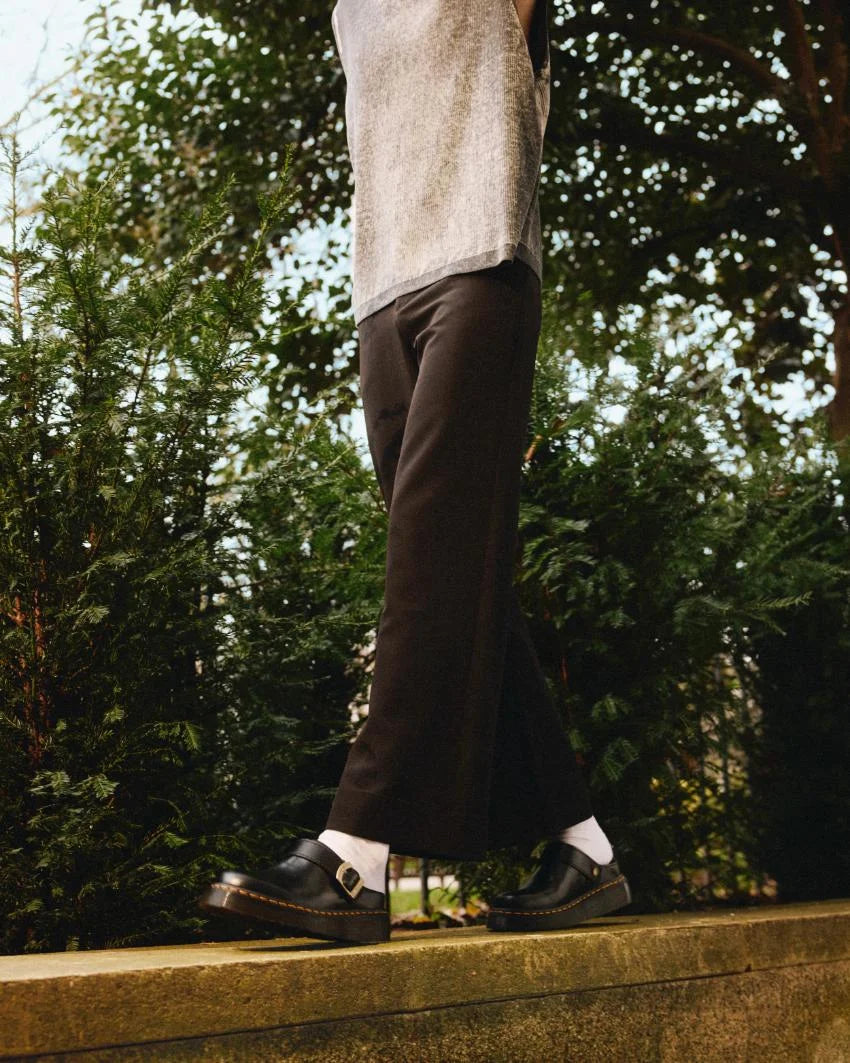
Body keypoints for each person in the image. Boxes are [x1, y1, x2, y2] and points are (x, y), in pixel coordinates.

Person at [199, 0, 631, 945]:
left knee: (429, 562)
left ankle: (355, 854)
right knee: (457, 569)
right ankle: (585, 846)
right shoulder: (351, 10)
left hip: (481, 270)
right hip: (382, 298)